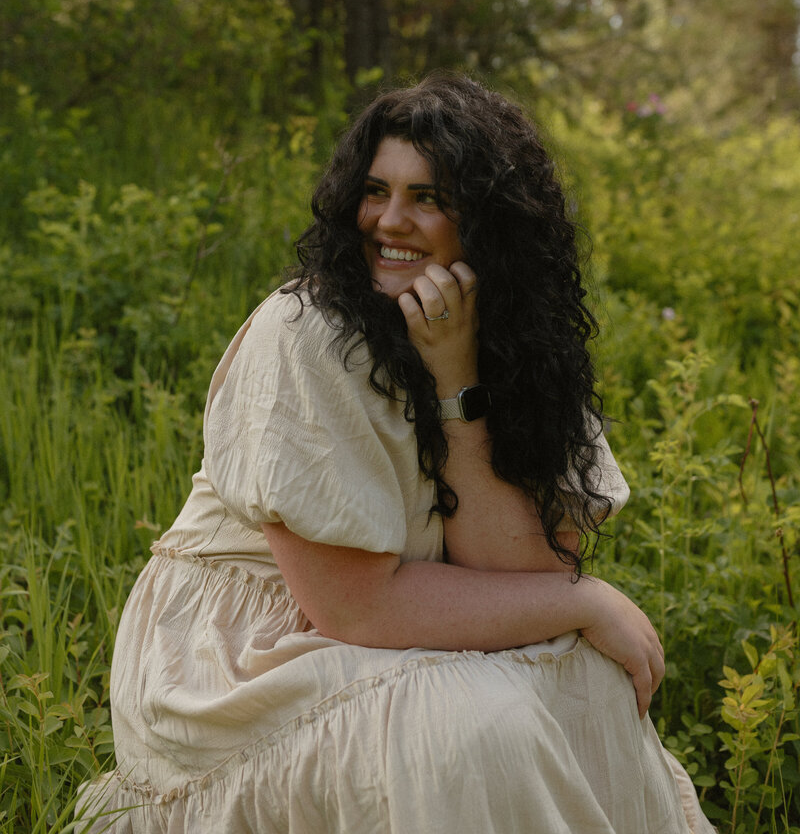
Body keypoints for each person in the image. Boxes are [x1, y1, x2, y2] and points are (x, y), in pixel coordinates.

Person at [79, 74, 714, 833]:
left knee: (589, 679)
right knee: (479, 728)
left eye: (428, 198)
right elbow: (353, 603)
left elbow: (522, 572)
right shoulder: (305, 334)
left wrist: (456, 382)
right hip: (248, 650)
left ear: (488, 221)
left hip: (402, 619)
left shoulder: (522, 342)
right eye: (376, 191)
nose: (389, 220)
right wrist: (586, 598)